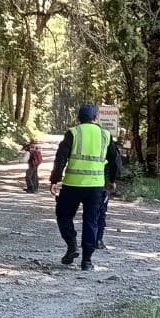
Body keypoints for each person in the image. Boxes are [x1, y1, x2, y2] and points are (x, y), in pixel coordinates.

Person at [49, 104, 121, 271]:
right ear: (95, 118)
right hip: (95, 187)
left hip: (72, 185)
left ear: (78, 118)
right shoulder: (105, 135)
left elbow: (60, 158)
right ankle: (87, 261)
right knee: (91, 222)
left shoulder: (73, 133)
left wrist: (55, 180)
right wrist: (112, 179)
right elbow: (115, 160)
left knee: (63, 216)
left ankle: (72, 245)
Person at [95, 136, 122, 249]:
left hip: (88, 185)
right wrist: (112, 181)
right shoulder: (111, 149)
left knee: (91, 214)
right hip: (103, 186)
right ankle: (98, 240)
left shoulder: (92, 147)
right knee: (101, 213)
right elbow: (116, 166)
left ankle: (90, 240)